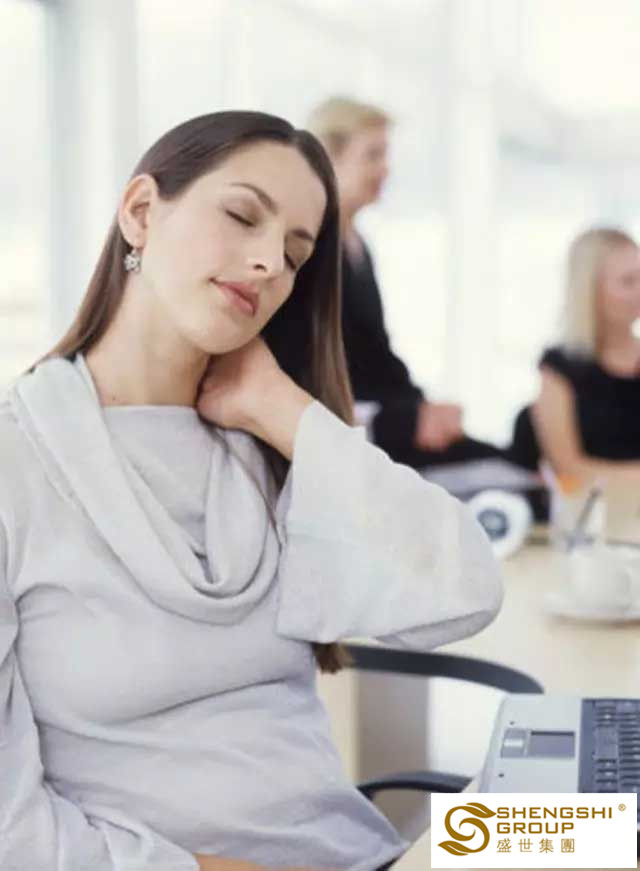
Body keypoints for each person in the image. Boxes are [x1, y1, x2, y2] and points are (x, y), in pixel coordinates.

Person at [0, 111, 502, 871]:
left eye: (295, 254)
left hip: (376, 859)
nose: (268, 262)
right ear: (141, 212)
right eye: (241, 216)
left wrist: (281, 407)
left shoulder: (265, 447)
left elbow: (464, 589)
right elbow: (15, 833)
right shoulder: (19, 460)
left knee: (603, 822)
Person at [306, 96, 503, 472]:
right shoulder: (310, 251)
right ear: (329, 157)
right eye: (373, 155)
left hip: (386, 420)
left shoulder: (358, 245)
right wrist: (406, 419)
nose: (385, 169)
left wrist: (421, 408)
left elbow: (377, 354)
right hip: (355, 432)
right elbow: (318, 372)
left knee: (506, 465)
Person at [509, 227, 640, 486]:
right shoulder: (560, 367)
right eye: (628, 281)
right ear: (590, 290)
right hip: (594, 507)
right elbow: (568, 468)